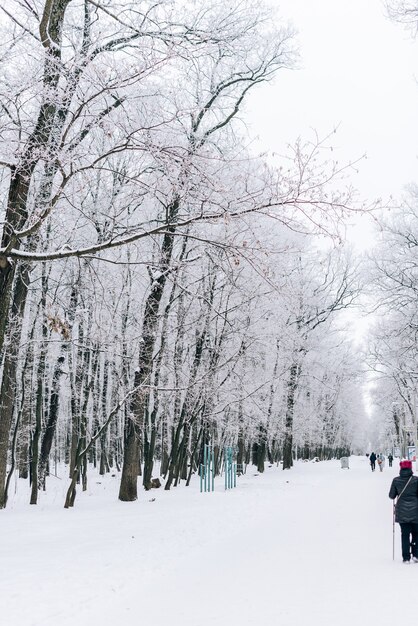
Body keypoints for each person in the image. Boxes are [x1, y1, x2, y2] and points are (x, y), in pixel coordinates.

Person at [389, 459, 418, 563]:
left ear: (401, 468)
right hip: (416, 511)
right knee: (416, 533)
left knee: (404, 534)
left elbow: (391, 496)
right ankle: (416, 555)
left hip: (402, 512)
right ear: (410, 468)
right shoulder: (416, 480)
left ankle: (406, 557)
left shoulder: (396, 480)